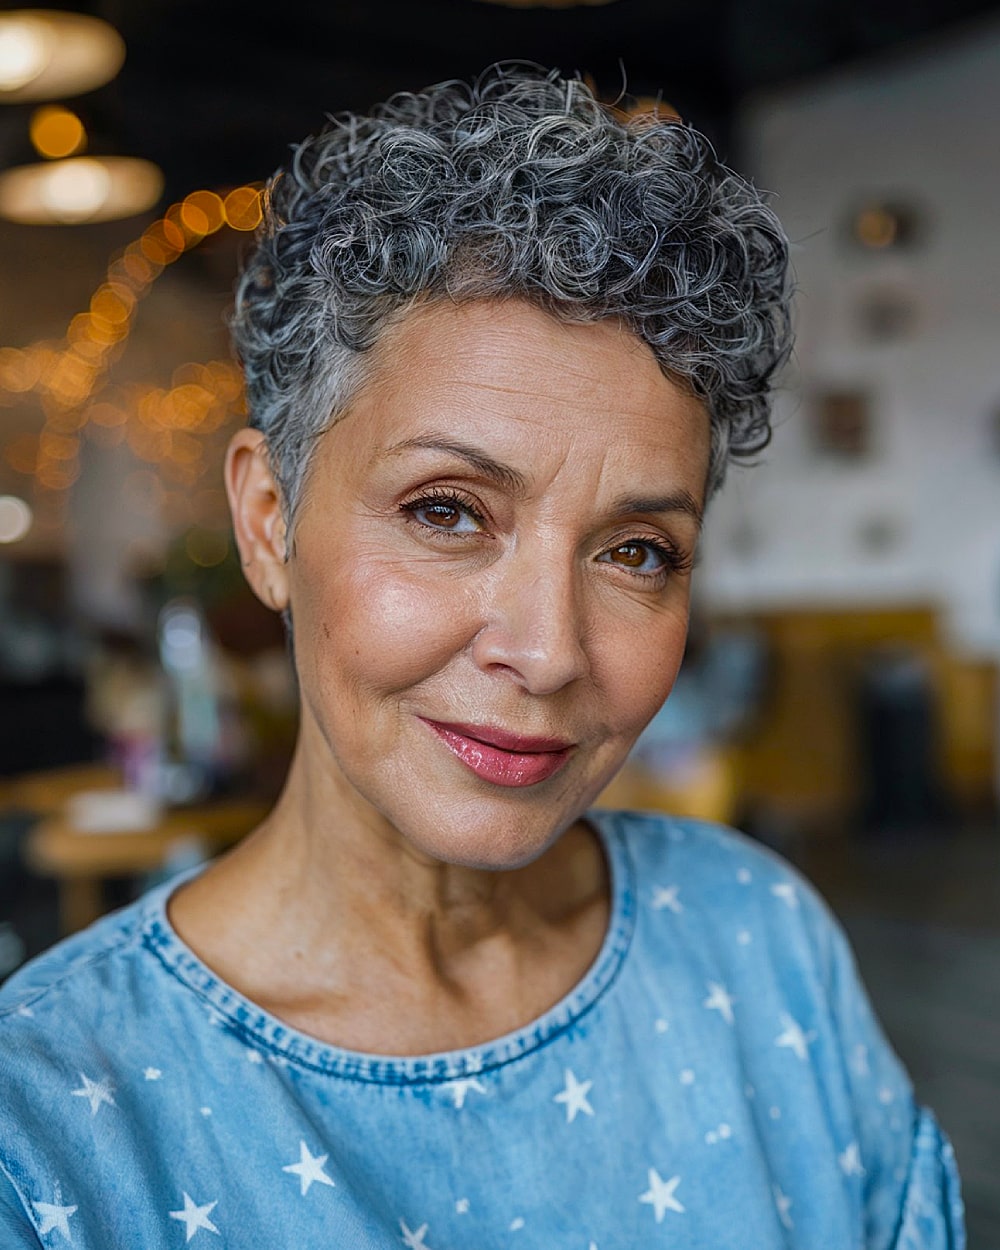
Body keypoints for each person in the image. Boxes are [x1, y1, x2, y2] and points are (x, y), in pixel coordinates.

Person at [0, 65, 963, 1248]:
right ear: (266, 522)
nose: (550, 650)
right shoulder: (46, 1124)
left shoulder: (760, 943)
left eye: (637, 552)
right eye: (447, 510)